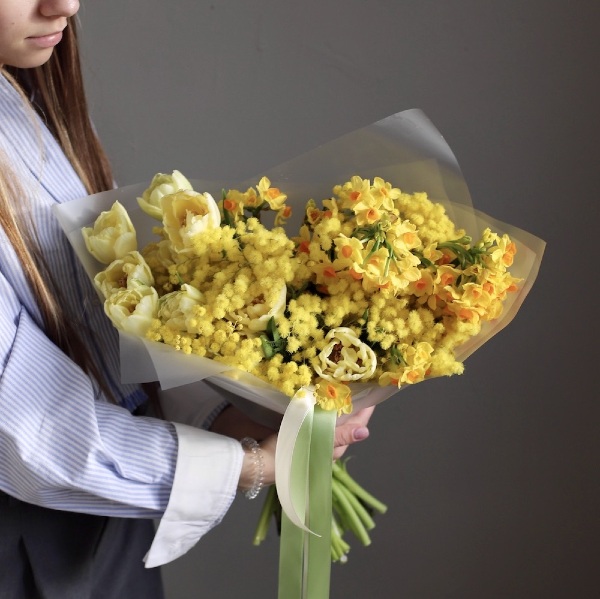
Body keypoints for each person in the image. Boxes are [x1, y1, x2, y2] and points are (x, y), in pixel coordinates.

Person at [0, 2, 374, 597]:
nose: (65, 5)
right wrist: (252, 466)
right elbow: (28, 432)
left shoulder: (14, 94)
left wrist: (230, 416)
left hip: (99, 534)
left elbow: (77, 344)